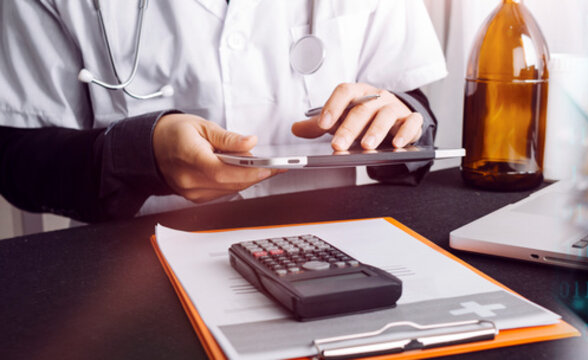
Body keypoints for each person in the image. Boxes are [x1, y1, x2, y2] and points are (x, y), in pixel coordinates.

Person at [0, 0, 446, 222]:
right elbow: (16, 158)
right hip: (133, 274)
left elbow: (409, 107)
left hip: (338, 252)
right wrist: (137, 155)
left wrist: (400, 123)